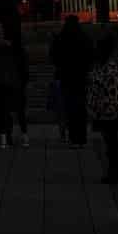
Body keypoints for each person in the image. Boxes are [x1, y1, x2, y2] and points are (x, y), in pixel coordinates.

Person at [87, 33, 118, 183]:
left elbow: (102, 89)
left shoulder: (108, 69)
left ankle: (116, 172)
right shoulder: (106, 67)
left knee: (112, 143)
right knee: (111, 143)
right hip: (107, 109)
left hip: (108, 111)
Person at [51, 15, 94, 146]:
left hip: (66, 77)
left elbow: (54, 56)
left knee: (70, 108)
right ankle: (81, 138)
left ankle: (73, 137)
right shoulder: (84, 37)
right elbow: (91, 55)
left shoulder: (62, 38)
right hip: (80, 77)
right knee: (80, 108)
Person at [0, 29, 29, 149]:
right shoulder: (20, 51)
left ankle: (3, 140)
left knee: (2, 113)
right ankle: (25, 138)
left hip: (1, 86)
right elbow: (25, 70)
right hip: (17, 86)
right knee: (20, 112)